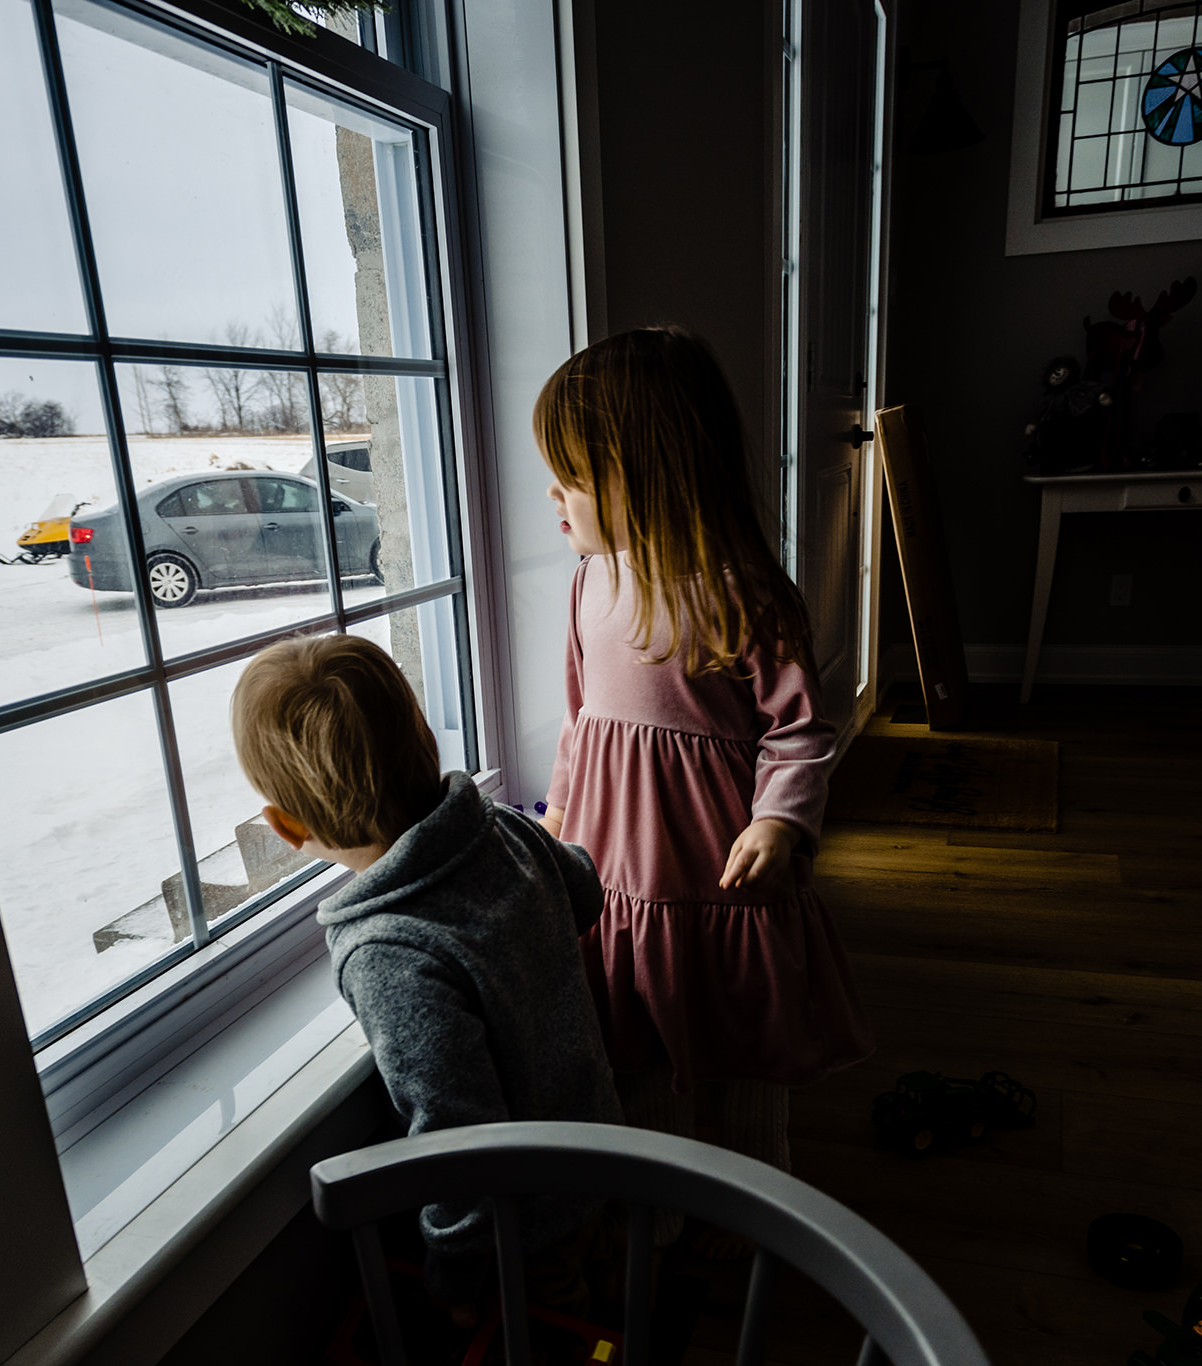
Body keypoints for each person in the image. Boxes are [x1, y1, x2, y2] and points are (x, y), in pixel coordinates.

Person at [533, 327, 874, 1261]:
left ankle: (763, 1206)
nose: (551, 498)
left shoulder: (743, 592)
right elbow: (578, 724)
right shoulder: (585, 586)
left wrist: (780, 819)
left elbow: (800, 728)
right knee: (639, 1047)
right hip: (618, 879)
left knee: (743, 1048)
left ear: (645, 472)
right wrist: (559, 822)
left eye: (569, 478)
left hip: (722, 879)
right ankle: (660, 1211)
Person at [231, 634, 623, 1316]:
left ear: (286, 827)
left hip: (524, 1229)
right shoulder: (499, 827)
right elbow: (583, 890)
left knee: (560, 1325)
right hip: (600, 1146)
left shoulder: (388, 952)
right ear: (424, 742)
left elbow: (456, 1140)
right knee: (607, 1299)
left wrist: (454, 1266)